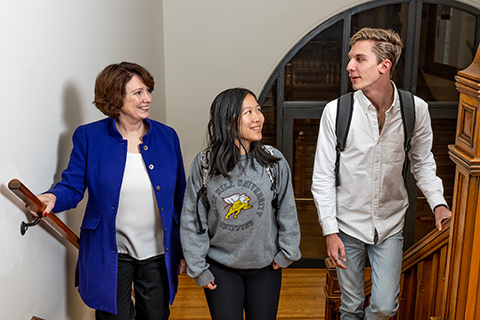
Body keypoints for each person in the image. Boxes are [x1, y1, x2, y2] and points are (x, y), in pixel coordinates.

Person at [311, 28, 452, 319]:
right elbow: (322, 176)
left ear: (384, 66)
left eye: (359, 59)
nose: (349, 66)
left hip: (390, 225)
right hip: (346, 225)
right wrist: (329, 231)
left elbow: (422, 162)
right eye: (350, 59)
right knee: (350, 306)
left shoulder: (416, 110)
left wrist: (438, 203)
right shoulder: (336, 112)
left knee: (385, 306)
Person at [27, 62, 186, 319]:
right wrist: (52, 197)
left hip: (157, 250)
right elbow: (72, 185)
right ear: (114, 97)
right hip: (109, 250)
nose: (147, 98)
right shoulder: (89, 137)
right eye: (138, 93)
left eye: (148, 90)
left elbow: (181, 197)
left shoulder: (167, 137)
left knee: (156, 316)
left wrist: (183, 249)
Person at [180, 88, 301, 320]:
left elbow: (287, 210)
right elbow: (192, 218)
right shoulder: (204, 164)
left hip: (265, 267)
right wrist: (198, 268)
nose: (258, 117)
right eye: (248, 112)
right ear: (227, 122)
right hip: (220, 268)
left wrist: (287, 252)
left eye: (258, 109)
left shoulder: (273, 161)